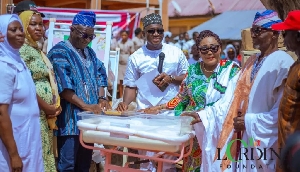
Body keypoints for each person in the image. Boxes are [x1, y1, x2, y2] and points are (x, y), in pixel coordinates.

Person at [193, 10, 294, 172]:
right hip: (245, 138)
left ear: (274, 33)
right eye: (252, 31)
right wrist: (203, 115)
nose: (253, 35)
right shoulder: (251, 62)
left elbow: (284, 111)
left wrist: (249, 122)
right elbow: (230, 99)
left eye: (258, 31)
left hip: (265, 140)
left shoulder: (282, 61)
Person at [144, 30, 241, 172]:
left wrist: (206, 114)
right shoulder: (192, 71)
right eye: (204, 49)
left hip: (220, 133)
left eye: (213, 48)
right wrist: (160, 108)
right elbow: (182, 98)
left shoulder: (231, 71)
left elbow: (236, 101)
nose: (209, 53)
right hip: (195, 136)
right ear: (199, 51)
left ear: (220, 48)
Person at [116, 13, 189, 171]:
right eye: (151, 31)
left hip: (171, 116)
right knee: (146, 162)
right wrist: (125, 103)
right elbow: (130, 86)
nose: (156, 34)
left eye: (159, 31)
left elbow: (188, 78)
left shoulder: (175, 53)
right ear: (143, 34)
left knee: (169, 161)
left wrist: (171, 78)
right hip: (146, 117)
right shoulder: (136, 57)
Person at [48, 11, 111, 172]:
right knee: (68, 165)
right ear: (72, 29)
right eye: (84, 35)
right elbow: (64, 87)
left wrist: (102, 96)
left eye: (91, 37)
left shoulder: (89, 52)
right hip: (70, 122)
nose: (87, 40)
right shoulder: (59, 52)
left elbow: (100, 73)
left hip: (89, 122)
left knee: (84, 165)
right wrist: (86, 106)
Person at [0, 14, 44, 171]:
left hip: (27, 141)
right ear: (2, 34)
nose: (20, 33)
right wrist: (13, 155)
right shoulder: (3, 66)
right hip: (13, 146)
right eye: (13, 30)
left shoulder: (17, 61)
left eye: (20, 28)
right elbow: (1, 113)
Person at [19, 11, 61, 172]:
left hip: (43, 115)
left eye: (41, 25)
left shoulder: (37, 50)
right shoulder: (22, 51)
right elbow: (24, 85)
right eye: (33, 24)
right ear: (23, 26)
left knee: (44, 154)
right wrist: (46, 106)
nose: (39, 28)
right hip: (31, 114)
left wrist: (54, 106)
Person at [271, 10, 300, 172]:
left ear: (297, 36)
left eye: (285, 33)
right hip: (287, 151)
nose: (282, 37)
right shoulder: (295, 66)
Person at [116, 30, 134, 98]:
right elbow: (116, 52)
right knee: (120, 82)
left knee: (127, 81)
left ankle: (126, 97)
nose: (123, 37)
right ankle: (120, 97)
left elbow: (132, 53)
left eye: (125, 35)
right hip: (120, 64)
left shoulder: (130, 43)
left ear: (127, 35)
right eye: (122, 35)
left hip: (127, 64)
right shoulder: (118, 43)